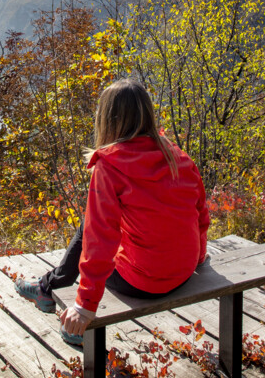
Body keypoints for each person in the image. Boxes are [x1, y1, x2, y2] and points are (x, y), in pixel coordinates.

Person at [15, 78, 210, 346]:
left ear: (107, 118)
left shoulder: (110, 166)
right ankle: (48, 285)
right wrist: (198, 258)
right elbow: (201, 215)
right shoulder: (178, 157)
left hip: (141, 283)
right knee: (95, 224)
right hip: (184, 272)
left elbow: (99, 240)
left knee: (89, 225)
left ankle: (49, 292)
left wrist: (85, 305)